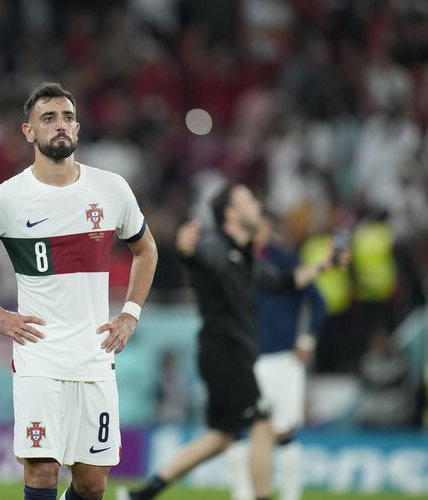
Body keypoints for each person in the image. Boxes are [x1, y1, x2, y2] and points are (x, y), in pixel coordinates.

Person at [0, 82, 157, 500]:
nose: (61, 125)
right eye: (49, 118)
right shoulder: (6, 198)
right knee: (42, 472)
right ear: (28, 132)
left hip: (95, 355)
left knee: (92, 483)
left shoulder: (111, 188)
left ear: (78, 128)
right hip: (39, 354)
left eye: (68, 117)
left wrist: (130, 314)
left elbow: (146, 249)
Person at [118, 183, 344, 500]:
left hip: (226, 354)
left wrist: (324, 265)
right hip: (226, 354)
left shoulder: (245, 256)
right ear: (231, 214)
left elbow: (282, 281)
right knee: (262, 422)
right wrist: (186, 250)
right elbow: (199, 258)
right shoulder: (217, 247)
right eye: (248, 200)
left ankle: (142, 494)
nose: (257, 204)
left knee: (220, 438)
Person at [226, 211, 327, 500]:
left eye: (265, 226)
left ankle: (290, 495)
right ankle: (242, 493)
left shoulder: (286, 261)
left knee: (285, 433)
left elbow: (319, 303)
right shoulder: (237, 261)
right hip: (247, 359)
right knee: (241, 431)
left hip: (284, 359)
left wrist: (308, 339)